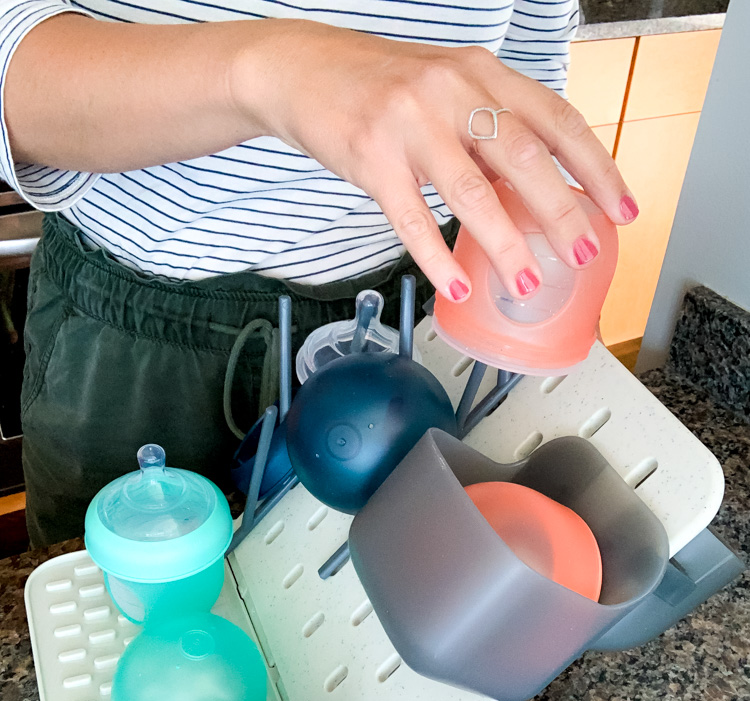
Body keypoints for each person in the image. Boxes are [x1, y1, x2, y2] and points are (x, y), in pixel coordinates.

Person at [0, 0, 638, 547]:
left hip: (430, 316)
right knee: (128, 621)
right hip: (137, 343)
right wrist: (266, 72)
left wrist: (552, 270)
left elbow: (517, 78)